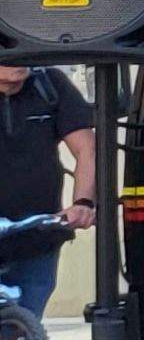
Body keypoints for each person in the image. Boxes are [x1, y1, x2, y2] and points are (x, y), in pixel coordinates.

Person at [0, 65, 99, 316]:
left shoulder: (50, 85)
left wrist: (83, 203)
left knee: (19, 334)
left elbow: (86, 150)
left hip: (37, 235)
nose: (20, 60)